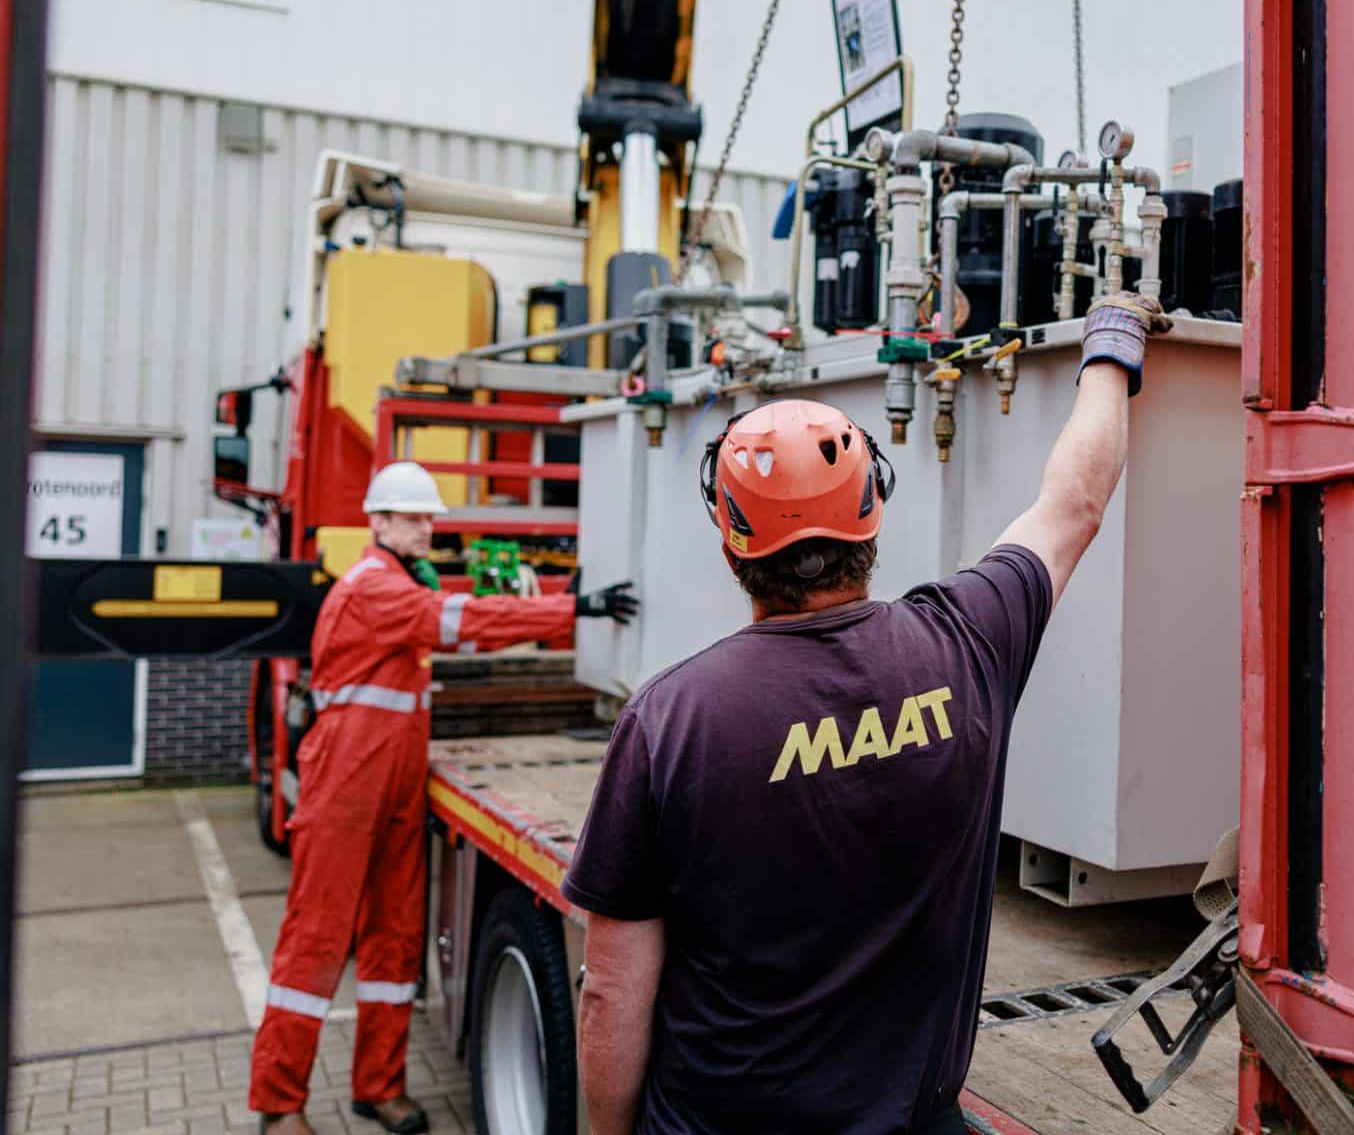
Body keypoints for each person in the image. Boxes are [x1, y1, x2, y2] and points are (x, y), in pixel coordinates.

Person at [563, 292, 1171, 1135]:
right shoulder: (966, 642)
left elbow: (612, 987)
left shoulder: (671, 721)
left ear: (732, 540)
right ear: (872, 509)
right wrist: (1112, 342)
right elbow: (1074, 505)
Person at [250, 461, 639, 1134]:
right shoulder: (375, 587)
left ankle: (379, 1086)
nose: (428, 528)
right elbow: (463, 621)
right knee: (315, 940)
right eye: (413, 516)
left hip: (394, 778)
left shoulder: (398, 580)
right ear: (378, 521)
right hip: (347, 779)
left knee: (395, 938)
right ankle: (279, 1105)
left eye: (430, 517)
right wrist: (571, 606)